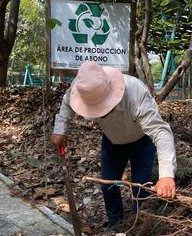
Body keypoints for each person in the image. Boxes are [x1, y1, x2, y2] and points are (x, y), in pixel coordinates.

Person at [52, 61, 177, 227]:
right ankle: (115, 224)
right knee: (108, 185)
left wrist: (167, 175)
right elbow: (67, 102)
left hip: (141, 141)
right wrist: (60, 129)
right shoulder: (83, 85)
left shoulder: (135, 93)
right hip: (112, 140)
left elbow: (161, 132)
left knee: (141, 188)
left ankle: (139, 227)